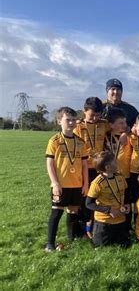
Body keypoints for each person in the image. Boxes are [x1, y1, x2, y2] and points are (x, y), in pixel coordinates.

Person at [45, 107, 88, 251]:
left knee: (73, 211)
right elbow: (50, 163)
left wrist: (85, 184)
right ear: (59, 121)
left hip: (76, 184)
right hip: (61, 185)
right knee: (56, 212)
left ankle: (72, 238)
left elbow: (84, 165)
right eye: (67, 120)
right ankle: (50, 244)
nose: (71, 123)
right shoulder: (55, 141)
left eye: (73, 120)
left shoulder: (80, 142)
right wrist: (55, 182)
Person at [74, 97, 109, 238]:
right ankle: (82, 228)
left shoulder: (104, 124)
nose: (94, 118)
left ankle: (94, 226)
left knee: (97, 198)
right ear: (84, 112)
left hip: (99, 168)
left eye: (98, 115)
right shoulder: (78, 127)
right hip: (83, 168)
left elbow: (120, 127)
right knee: (84, 199)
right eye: (91, 115)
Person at [86, 151, 130, 248]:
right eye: (114, 161)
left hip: (120, 220)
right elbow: (89, 204)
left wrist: (127, 204)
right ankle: (92, 231)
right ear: (107, 167)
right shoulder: (97, 183)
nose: (117, 162)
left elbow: (126, 192)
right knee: (101, 247)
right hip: (104, 222)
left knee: (124, 245)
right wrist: (108, 210)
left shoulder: (120, 177)